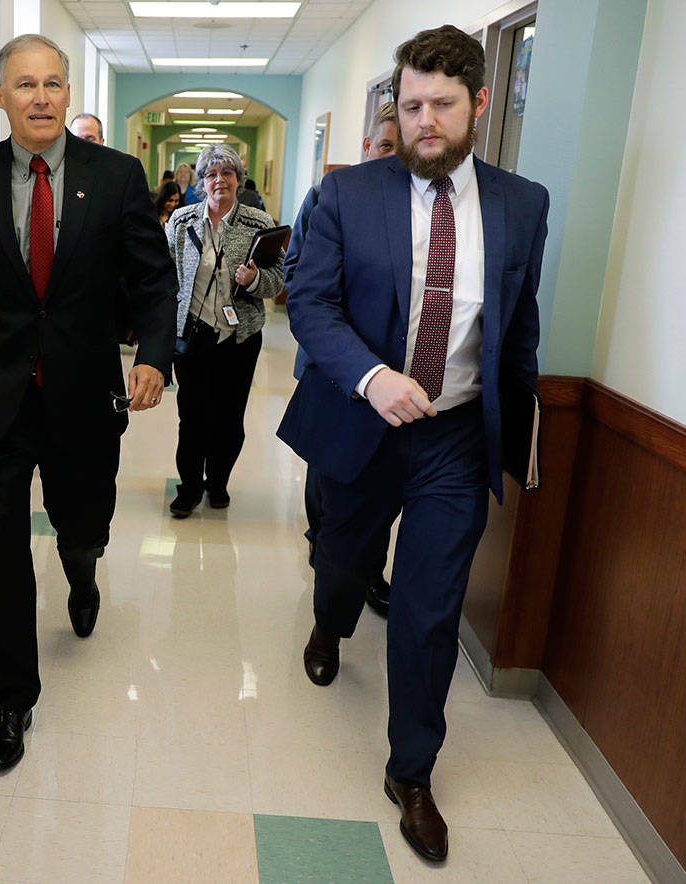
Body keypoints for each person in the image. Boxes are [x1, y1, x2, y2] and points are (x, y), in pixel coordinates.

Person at [277, 25, 549, 863]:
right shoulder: (347, 195)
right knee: (343, 559)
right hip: (362, 421)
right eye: (411, 103)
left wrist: (524, 437)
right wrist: (373, 378)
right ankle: (328, 623)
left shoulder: (522, 204)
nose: (424, 121)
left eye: (442, 104)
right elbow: (311, 303)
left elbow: (519, 328)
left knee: (429, 607)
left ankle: (412, 772)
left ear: (480, 104)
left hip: (456, 438)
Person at [0, 34, 176, 773]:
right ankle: (12, 701)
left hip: (84, 390)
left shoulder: (117, 175)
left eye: (54, 84)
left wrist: (155, 356)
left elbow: (153, 279)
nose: (40, 97)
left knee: (80, 515)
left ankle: (84, 565)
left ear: (68, 96)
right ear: (0, 96)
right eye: (25, 85)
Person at [285, 101, 399, 617]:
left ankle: (368, 573)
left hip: (402, 384)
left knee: (377, 492)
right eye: (387, 146)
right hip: (333, 370)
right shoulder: (334, 196)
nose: (394, 157)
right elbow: (299, 273)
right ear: (367, 148)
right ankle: (326, 553)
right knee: (331, 479)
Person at [164, 144, 285, 517]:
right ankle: (189, 488)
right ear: (201, 183)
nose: (220, 180)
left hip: (239, 338)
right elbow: (164, 276)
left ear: (238, 179)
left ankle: (218, 483)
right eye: (211, 175)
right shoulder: (182, 222)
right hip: (193, 336)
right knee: (192, 417)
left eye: (227, 173)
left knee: (229, 419)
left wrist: (252, 281)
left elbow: (278, 280)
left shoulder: (258, 224)